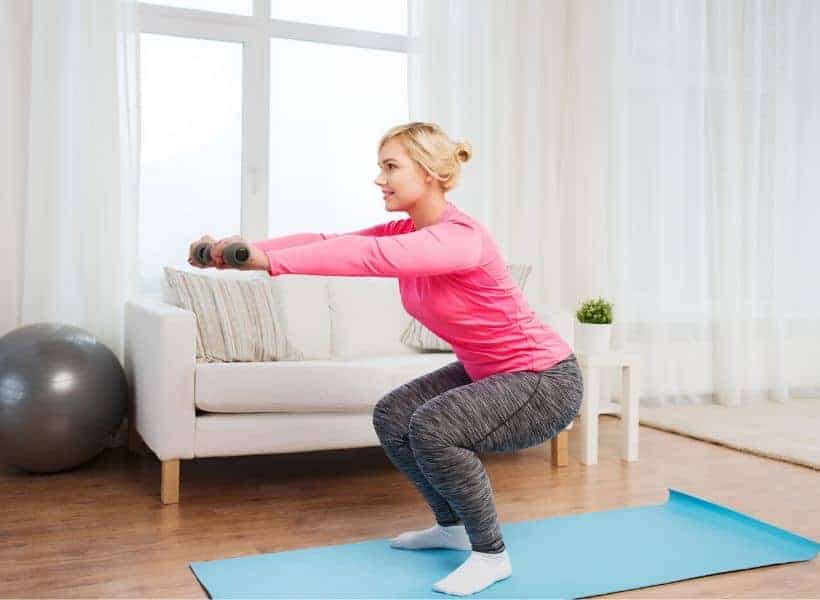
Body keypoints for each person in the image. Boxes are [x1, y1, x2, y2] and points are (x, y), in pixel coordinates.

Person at [189, 121, 583, 597]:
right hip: (496, 373)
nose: (380, 179)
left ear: (430, 172)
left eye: (391, 167)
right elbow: (328, 239)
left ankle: (491, 555)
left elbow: (367, 257)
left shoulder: (460, 238)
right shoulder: (408, 229)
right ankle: (451, 526)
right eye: (381, 167)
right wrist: (240, 254)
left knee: (434, 427)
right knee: (394, 415)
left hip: (544, 381)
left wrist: (265, 262)